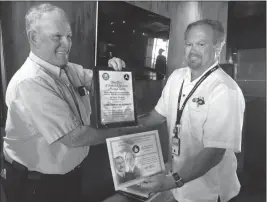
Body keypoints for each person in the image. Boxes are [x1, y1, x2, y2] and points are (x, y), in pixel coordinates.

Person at [1, 3, 125, 202]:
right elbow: (75, 137)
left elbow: (101, 84)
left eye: (69, 36)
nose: (67, 44)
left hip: (69, 175)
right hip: (36, 186)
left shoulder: (70, 69)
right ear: (34, 38)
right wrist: (124, 131)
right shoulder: (30, 82)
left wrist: (115, 74)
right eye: (57, 37)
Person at [123, 19, 245, 202]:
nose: (192, 50)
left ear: (218, 46)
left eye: (201, 44)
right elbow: (156, 116)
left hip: (209, 194)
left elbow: (214, 153)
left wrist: (169, 182)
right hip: (180, 188)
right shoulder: (176, 77)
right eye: (189, 44)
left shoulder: (225, 90)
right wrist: (123, 124)